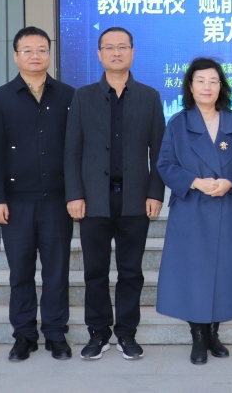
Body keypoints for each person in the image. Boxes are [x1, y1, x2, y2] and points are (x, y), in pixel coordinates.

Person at [65, 27, 166, 361]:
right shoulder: (83, 97)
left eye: (123, 47)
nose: (116, 52)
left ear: (133, 53)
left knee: (131, 272)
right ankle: (98, 333)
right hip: (93, 199)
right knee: (94, 272)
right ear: (99, 54)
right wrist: (74, 194)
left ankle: (126, 333)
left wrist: (155, 192)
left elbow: (159, 152)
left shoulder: (150, 97)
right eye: (109, 47)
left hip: (135, 199)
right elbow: (72, 151)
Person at [156, 58, 232, 365]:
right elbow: (165, 165)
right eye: (200, 80)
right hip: (191, 209)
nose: (207, 86)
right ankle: (198, 336)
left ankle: (214, 333)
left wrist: (230, 182)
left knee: (224, 273)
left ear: (221, 86)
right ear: (190, 86)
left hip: (225, 207)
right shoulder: (178, 123)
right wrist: (195, 181)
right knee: (194, 273)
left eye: (213, 80)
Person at [0, 26, 76, 361]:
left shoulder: (68, 95)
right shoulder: (0, 98)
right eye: (28, 50)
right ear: (15, 56)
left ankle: (56, 333)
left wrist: (75, 195)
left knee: (57, 271)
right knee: (20, 272)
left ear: (49, 54)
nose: (35, 55)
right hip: (15, 201)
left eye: (42, 49)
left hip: (57, 200)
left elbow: (75, 150)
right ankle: (24, 335)